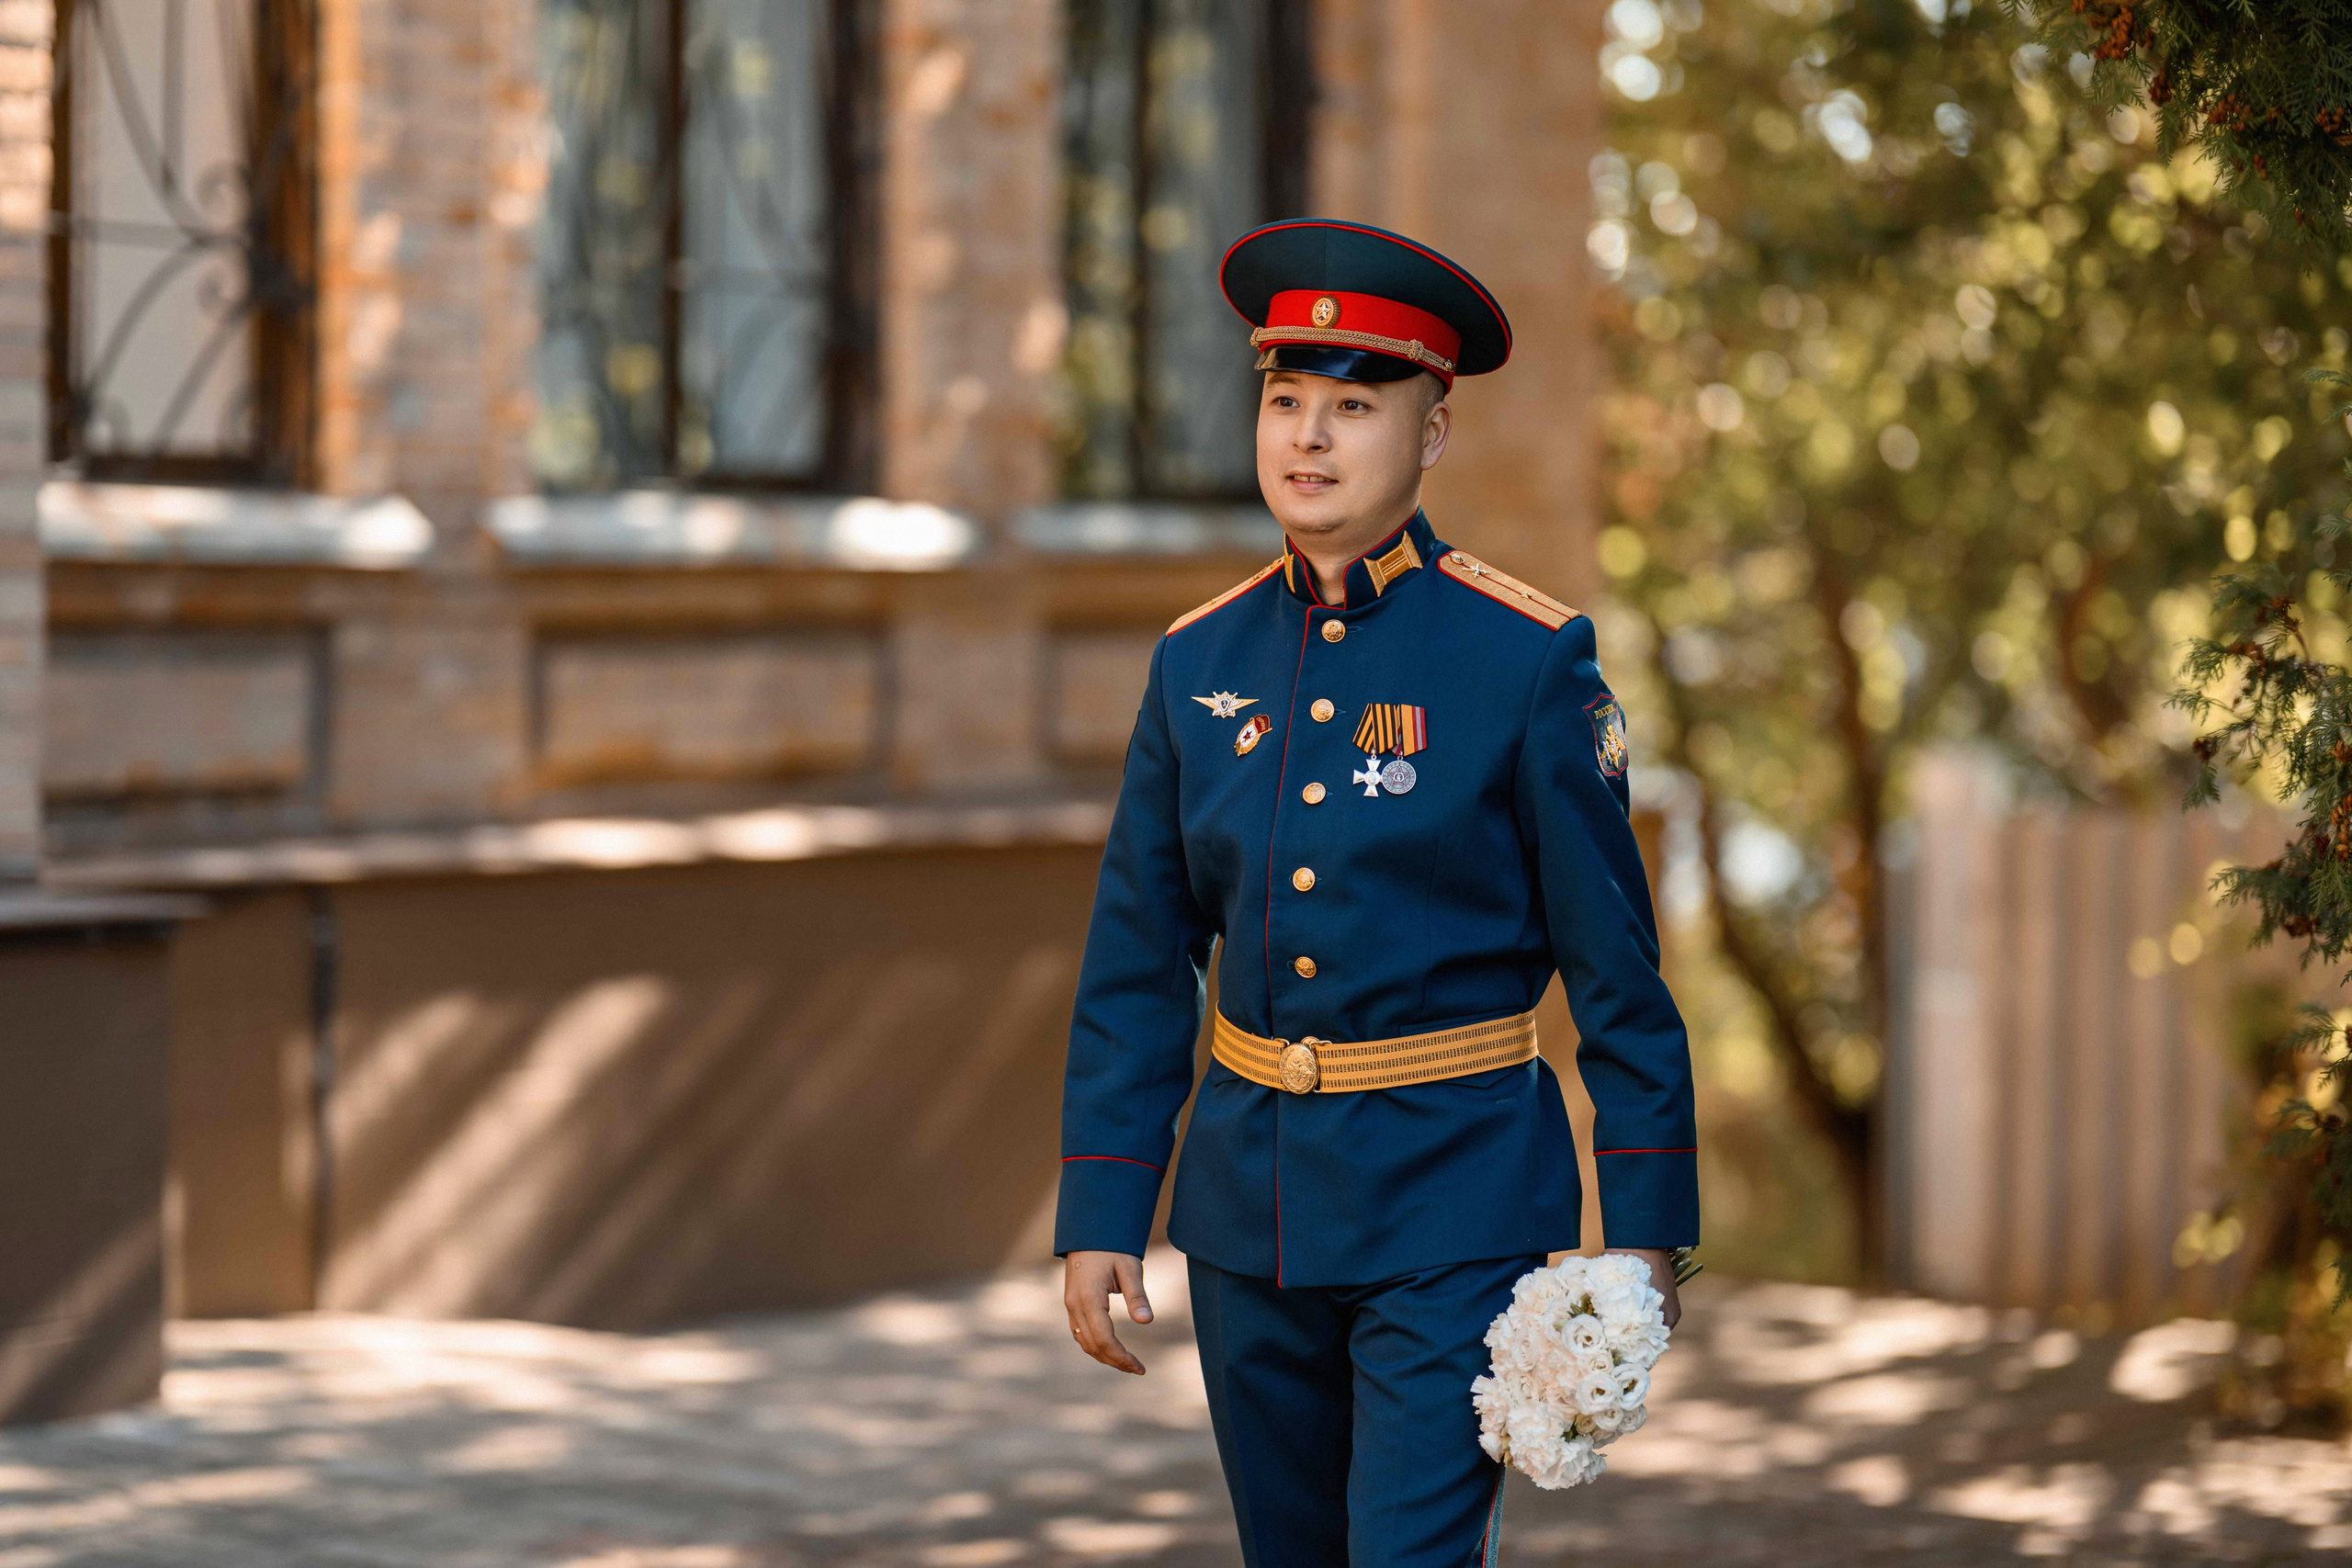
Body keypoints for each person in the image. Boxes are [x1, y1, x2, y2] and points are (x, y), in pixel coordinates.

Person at [1055, 219, 1699, 1568]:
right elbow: (1139, 953)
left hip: (1457, 1205)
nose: (1309, 437)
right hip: (1248, 1215)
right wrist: (1106, 1202)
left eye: (1354, 407)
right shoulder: (1196, 663)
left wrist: (1644, 1235)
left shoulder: (1527, 662)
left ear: (1431, 432)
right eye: (1286, 400)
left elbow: (1618, 978)